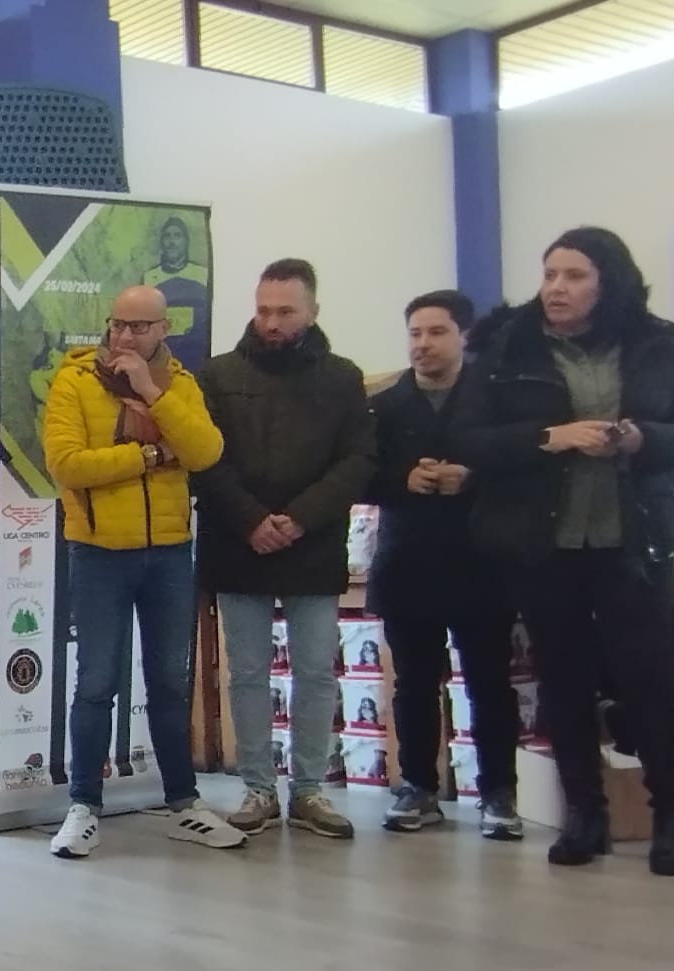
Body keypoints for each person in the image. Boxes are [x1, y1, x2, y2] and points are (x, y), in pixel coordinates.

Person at [450, 226, 674, 874]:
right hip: (543, 543)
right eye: (550, 274)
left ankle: (667, 820)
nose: (557, 288)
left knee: (652, 682)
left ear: (607, 282)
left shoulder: (658, 344)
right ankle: (584, 816)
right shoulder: (504, 347)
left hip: (634, 542)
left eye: (574, 276)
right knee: (564, 682)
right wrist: (552, 435)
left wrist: (640, 439)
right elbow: (470, 441)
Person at [39, 285, 243, 858]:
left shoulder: (179, 386)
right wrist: (150, 456)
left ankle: (184, 803)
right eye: (117, 325)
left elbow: (205, 452)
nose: (124, 336)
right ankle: (83, 806)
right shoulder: (74, 382)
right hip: (99, 552)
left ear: (163, 329)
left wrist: (153, 394)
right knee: (97, 682)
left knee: (170, 684)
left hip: (171, 553)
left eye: (138, 327)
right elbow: (68, 465)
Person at [193, 258, 375, 839]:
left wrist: (298, 519)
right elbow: (207, 460)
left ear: (312, 311)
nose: (271, 322)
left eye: (285, 311)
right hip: (238, 539)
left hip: (313, 542)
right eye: (264, 310)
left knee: (317, 671)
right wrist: (252, 520)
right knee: (246, 672)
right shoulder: (217, 375)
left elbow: (358, 461)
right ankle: (256, 789)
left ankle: (309, 790)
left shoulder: (344, 378)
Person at [365, 290, 522, 839]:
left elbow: (524, 466)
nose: (423, 344)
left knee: (487, 684)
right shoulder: (384, 406)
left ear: (462, 336)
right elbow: (360, 472)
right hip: (408, 563)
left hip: (482, 564)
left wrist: (472, 478)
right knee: (412, 685)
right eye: (414, 333)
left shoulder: (495, 400)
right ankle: (417, 788)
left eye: (436, 333)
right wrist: (400, 481)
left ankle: (498, 793)